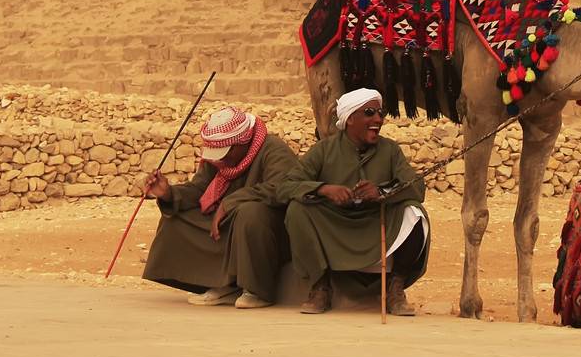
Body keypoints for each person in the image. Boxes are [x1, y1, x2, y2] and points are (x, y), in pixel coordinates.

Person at [282, 87, 430, 316]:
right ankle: (320, 286)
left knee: (415, 213)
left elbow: (417, 187)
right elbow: (286, 186)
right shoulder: (324, 149)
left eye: (381, 113)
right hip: (335, 224)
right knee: (297, 209)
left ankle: (395, 287)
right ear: (350, 118)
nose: (378, 119)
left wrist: (381, 191)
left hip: (375, 222)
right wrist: (324, 189)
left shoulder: (390, 150)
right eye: (369, 113)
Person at [140, 104, 302, 309]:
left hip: (266, 229)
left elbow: (283, 189)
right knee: (176, 217)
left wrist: (230, 202)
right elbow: (200, 188)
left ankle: (256, 289)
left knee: (250, 212)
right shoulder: (219, 159)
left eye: (226, 152)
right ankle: (220, 284)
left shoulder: (273, 149)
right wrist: (168, 193)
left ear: (241, 142)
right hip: (227, 225)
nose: (221, 159)